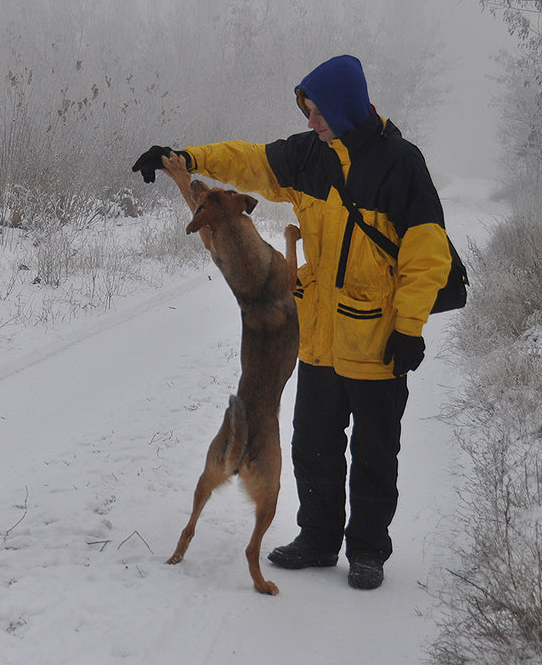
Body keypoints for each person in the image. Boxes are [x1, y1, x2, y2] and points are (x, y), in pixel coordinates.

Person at [132, 54, 452, 590]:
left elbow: (426, 253)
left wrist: (409, 327)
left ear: (347, 107)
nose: (311, 122)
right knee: (312, 443)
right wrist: (185, 156)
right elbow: (249, 160)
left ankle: (368, 550)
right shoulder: (307, 157)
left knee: (375, 450)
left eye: (318, 111)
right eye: (306, 111)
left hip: (377, 340)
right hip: (319, 337)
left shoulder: (401, 164)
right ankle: (318, 537)